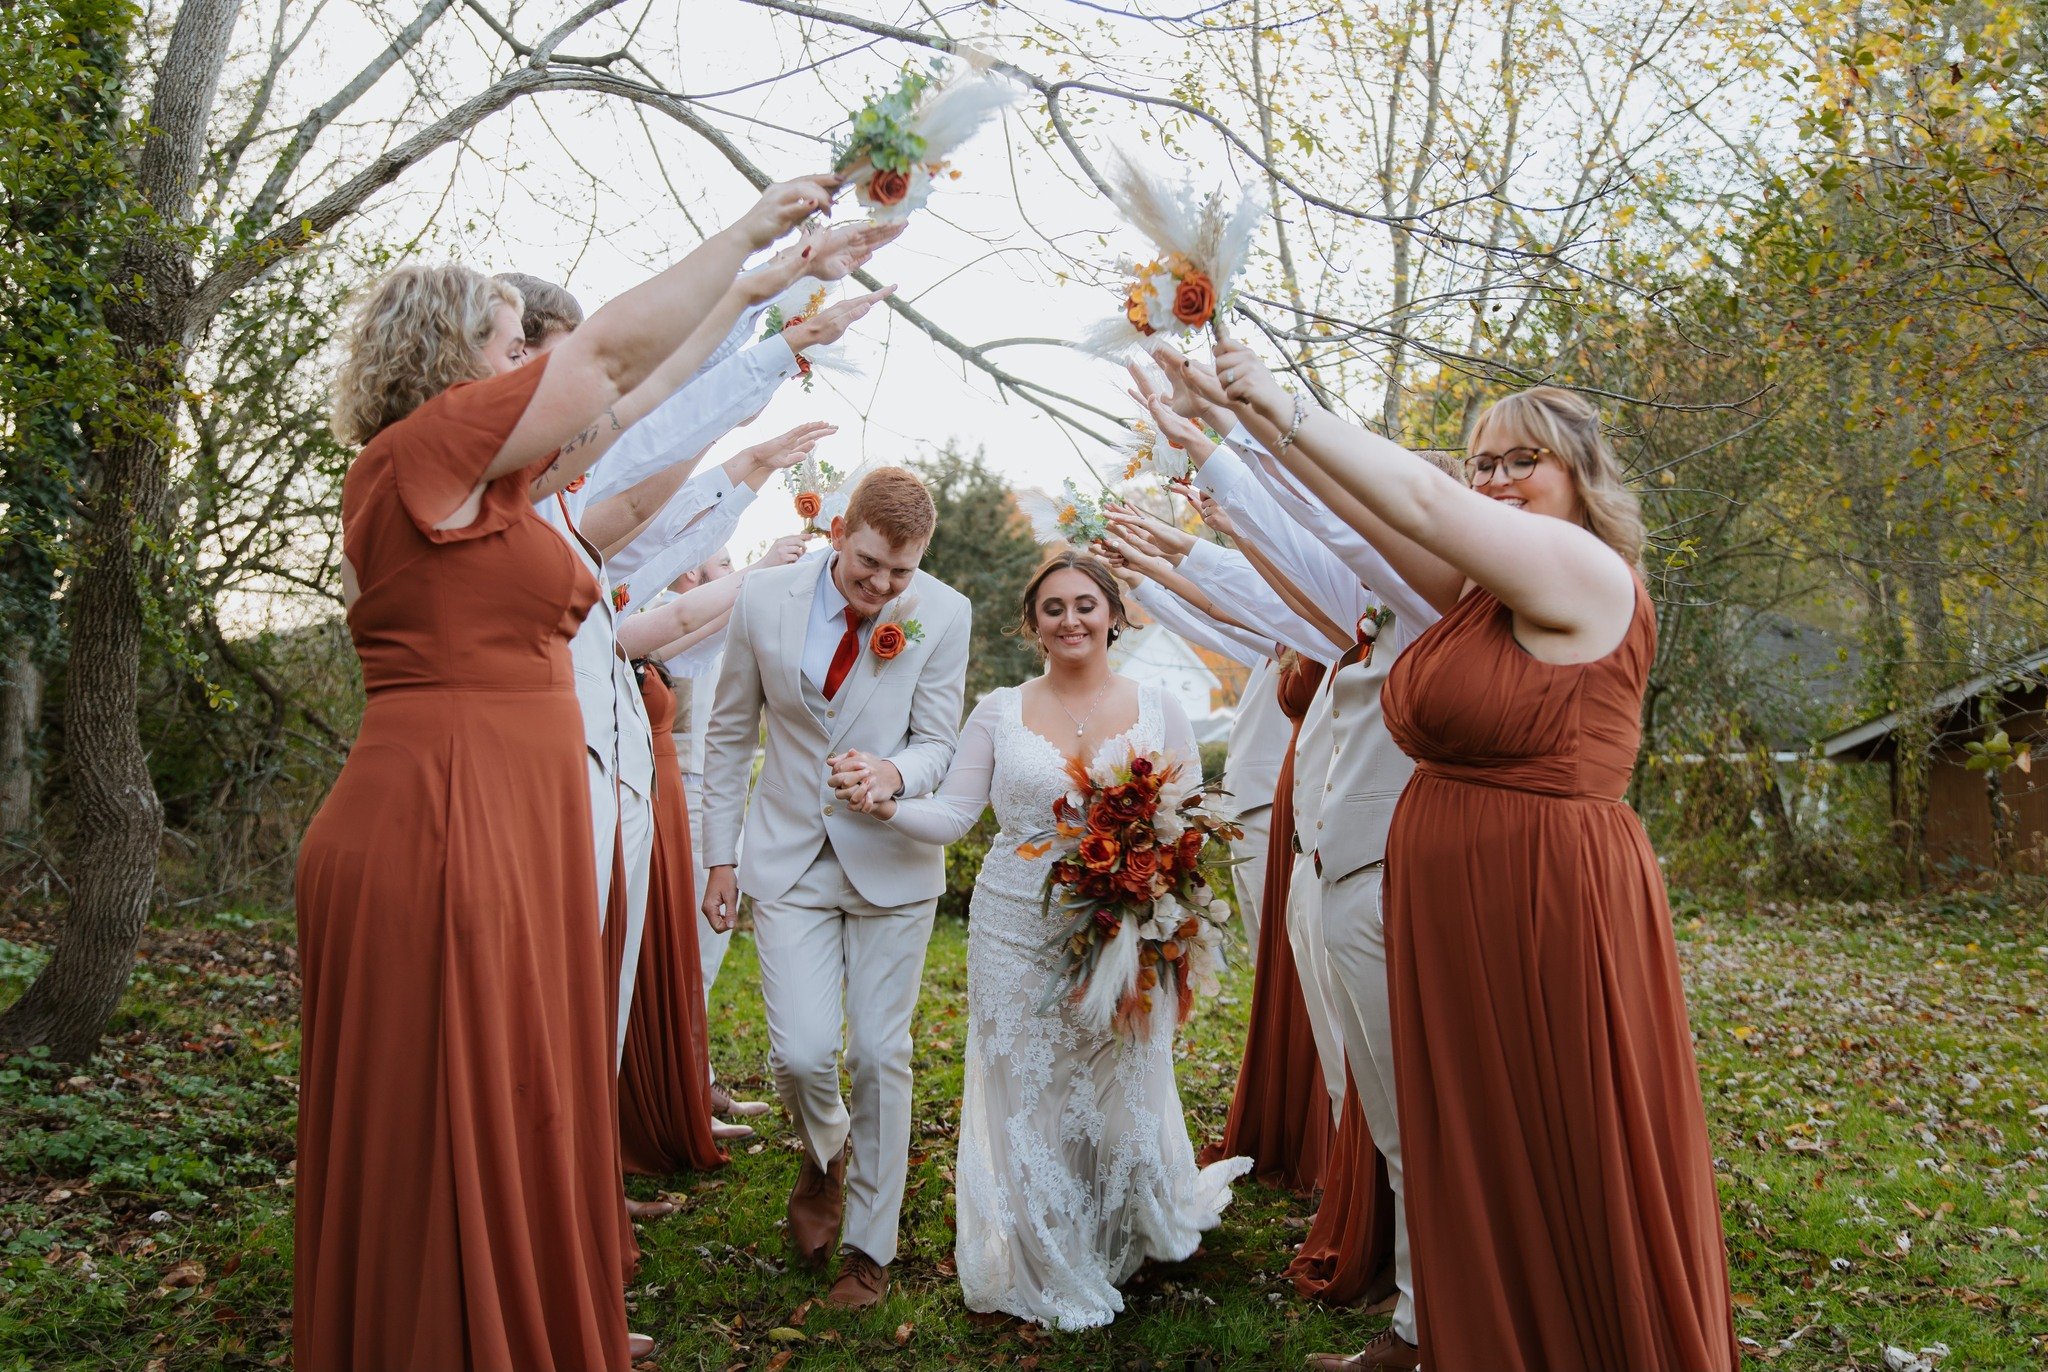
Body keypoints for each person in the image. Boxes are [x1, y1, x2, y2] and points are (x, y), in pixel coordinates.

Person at [294, 172, 831, 1371]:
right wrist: (746, 226)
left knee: (519, 1081)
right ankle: (453, 1337)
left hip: (505, 809)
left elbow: (636, 399)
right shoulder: (417, 452)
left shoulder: (497, 486)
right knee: (458, 1096)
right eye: (502, 343)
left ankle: (523, 1323)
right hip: (444, 816)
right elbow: (602, 358)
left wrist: (759, 297)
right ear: (448, 359)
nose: (523, 359)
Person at [1212, 343, 1740, 1372]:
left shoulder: (1587, 569)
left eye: (1519, 461)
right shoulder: (1478, 596)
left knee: (1549, 1138)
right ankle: (1461, 1336)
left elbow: (1412, 498)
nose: (1493, 479)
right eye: (1481, 463)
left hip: (1543, 898)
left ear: (1579, 475)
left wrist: (1286, 408)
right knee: (1466, 1137)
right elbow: (1361, 529)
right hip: (1456, 902)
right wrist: (1233, 433)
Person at [831, 549, 1251, 1330]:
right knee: (1026, 1090)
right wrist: (887, 808)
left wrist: (1159, 898)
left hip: (1126, 920)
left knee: (1120, 1079)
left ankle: (1117, 1227)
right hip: (1015, 920)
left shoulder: (1160, 704)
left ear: (1114, 614)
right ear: (1033, 623)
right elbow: (958, 816)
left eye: (1085, 604)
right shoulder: (999, 709)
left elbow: (1191, 821)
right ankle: (1043, 1258)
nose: (1070, 619)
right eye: (1053, 607)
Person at [699, 467, 972, 1310]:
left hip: (890, 860)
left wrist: (893, 771)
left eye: (901, 571)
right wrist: (721, 857)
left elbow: (940, 741)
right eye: (868, 566)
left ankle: (868, 1249)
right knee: (805, 1053)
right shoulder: (762, 599)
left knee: (877, 1054)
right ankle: (825, 1154)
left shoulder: (942, 612)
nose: (884, 588)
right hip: (786, 855)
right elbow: (728, 731)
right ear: (839, 530)